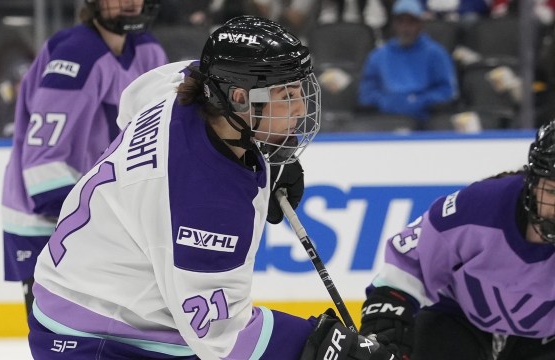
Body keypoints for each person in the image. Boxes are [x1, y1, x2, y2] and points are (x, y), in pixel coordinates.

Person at [28, 15, 398, 360]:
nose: (301, 109)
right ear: (238, 98)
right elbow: (224, 339)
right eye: (286, 96)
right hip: (96, 336)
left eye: (299, 91)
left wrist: (261, 154)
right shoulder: (206, 203)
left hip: (104, 295)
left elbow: (134, 100)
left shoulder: (186, 84)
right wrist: (322, 345)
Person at [1, 0, 168, 317]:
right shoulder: (75, 54)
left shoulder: (149, 50)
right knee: (65, 338)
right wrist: (115, 215)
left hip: (102, 213)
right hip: (48, 224)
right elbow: (44, 172)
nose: (131, 3)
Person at [359, 120, 555, 359]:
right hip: (458, 317)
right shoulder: (479, 208)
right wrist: (386, 323)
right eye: (552, 191)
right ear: (532, 183)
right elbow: (408, 267)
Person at [358, 0, 457, 128]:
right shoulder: (378, 56)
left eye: (411, 22)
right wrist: (386, 102)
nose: (405, 28)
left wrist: (421, 101)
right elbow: (366, 92)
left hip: (426, 122)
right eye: (401, 22)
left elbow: (447, 91)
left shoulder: (436, 54)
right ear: (394, 24)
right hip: (384, 122)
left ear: (421, 24)